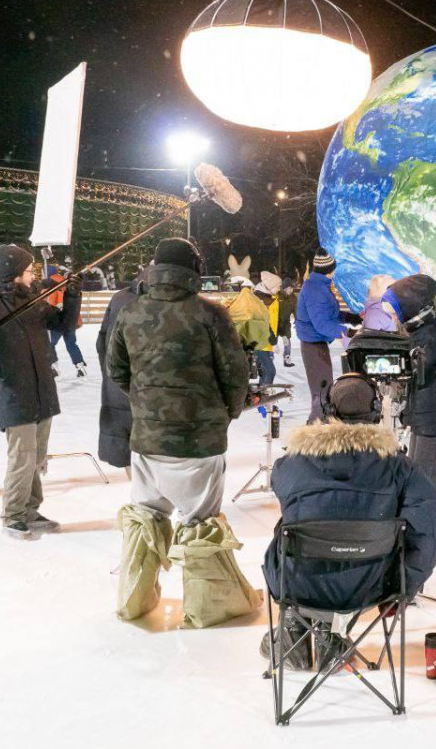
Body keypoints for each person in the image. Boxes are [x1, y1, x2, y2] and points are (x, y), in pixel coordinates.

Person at [106, 238, 256, 628]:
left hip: (146, 441)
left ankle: (133, 600)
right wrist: (226, 413)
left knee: (145, 515)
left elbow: (116, 370)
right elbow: (235, 374)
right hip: (199, 441)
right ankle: (209, 607)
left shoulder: (131, 311)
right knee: (200, 520)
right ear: (194, 268)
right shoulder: (210, 314)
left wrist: (148, 405)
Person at [262, 373, 436, 664]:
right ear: (376, 413)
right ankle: (328, 633)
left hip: (297, 584)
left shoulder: (289, 465)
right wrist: (403, 587)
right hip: (370, 586)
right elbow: (431, 532)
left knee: (290, 527)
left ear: (327, 411)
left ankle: (294, 625)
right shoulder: (400, 467)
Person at [0, 244, 80, 540]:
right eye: (30, 271)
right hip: (14, 391)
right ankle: (12, 514)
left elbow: (63, 323)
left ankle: (31, 510)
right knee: (22, 457)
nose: (33, 275)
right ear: (14, 275)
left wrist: (72, 294)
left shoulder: (31, 300)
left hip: (42, 389)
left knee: (37, 457)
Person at [387, 274, 436, 495]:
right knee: (419, 470)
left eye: (395, 309)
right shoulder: (422, 327)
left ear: (409, 306)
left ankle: (429, 524)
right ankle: (420, 519)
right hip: (426, 413)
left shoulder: (429, 334)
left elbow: (413, 370)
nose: (392, 315)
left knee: (428, 477)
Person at [95, 266, 146, 472]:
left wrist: (112, 377)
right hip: (153, 395)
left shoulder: (119, 298)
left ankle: (140, 497)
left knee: (127, 451)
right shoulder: (172, 303)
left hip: (118, 390)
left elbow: (102, 343)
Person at [295, 249, 348, 422]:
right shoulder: (316, 289)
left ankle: (318, 431)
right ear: (331, 269)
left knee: (324, 392)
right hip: (313, 345)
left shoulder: (319, 285)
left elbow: (328, 314)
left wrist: (351, 317)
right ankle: (313, 438)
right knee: (321, 395)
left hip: (317, 344)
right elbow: (322, 324)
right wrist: (347, 333)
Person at [227, 277, 276, 386]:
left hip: (239, 349)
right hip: (248, 347)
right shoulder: (252, 305)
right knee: (265, 371)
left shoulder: (235, 304)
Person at [47, 263, 87, 378]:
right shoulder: (67, 283)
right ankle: (80, 366)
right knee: (71, 344)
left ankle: (53, 366)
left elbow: (53, 303)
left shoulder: (52, 285)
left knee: (50, 344)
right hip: (70, 321)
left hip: (58, 321)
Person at [277, 278, 298, 367]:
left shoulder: (293, 298)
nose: (291, 290)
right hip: (275, 323)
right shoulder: (277, 295)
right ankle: (266, 361)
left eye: (292, 288)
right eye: (289, 288)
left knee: (287, 342)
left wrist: (297, 320)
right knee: (271, 342)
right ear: (284, 288)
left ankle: (287, 359)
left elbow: (296, 310)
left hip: (285, 324)